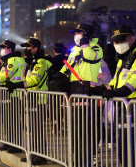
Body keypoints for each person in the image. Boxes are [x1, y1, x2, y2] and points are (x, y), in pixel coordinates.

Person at [89, 25, 136, 167]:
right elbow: (116, 81)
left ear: (132, 38)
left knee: (131, 150)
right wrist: (102, 89)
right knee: (123, 150)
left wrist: (118, 92)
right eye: (115, 41)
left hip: (134, 107)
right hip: (123, 107)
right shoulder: (123, 58)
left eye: (122, 40)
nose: (118, 44)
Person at [57, 23, 102, 166]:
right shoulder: (74, 50)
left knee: (87, 132)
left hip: (88, 92)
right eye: (75, 33)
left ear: (87, 34)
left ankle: (86, 161)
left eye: (79, 32)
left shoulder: (96, 47)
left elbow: (89, 57)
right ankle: (77, 160)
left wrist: (84, 44)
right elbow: (67, 67)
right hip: (75, 91)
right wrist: (57, 77)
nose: (75, 35)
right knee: (76, 131)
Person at [5, 37, 52, 165]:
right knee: (32, 128)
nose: (26, 50)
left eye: (29, 47)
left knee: (37, 129)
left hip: (38, 99)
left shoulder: (41, 63)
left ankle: (40, 156)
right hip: (32, 98)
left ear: (35, 48)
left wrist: (19, 85)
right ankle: (34, 153)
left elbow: (35, 81)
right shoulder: (33, 62)